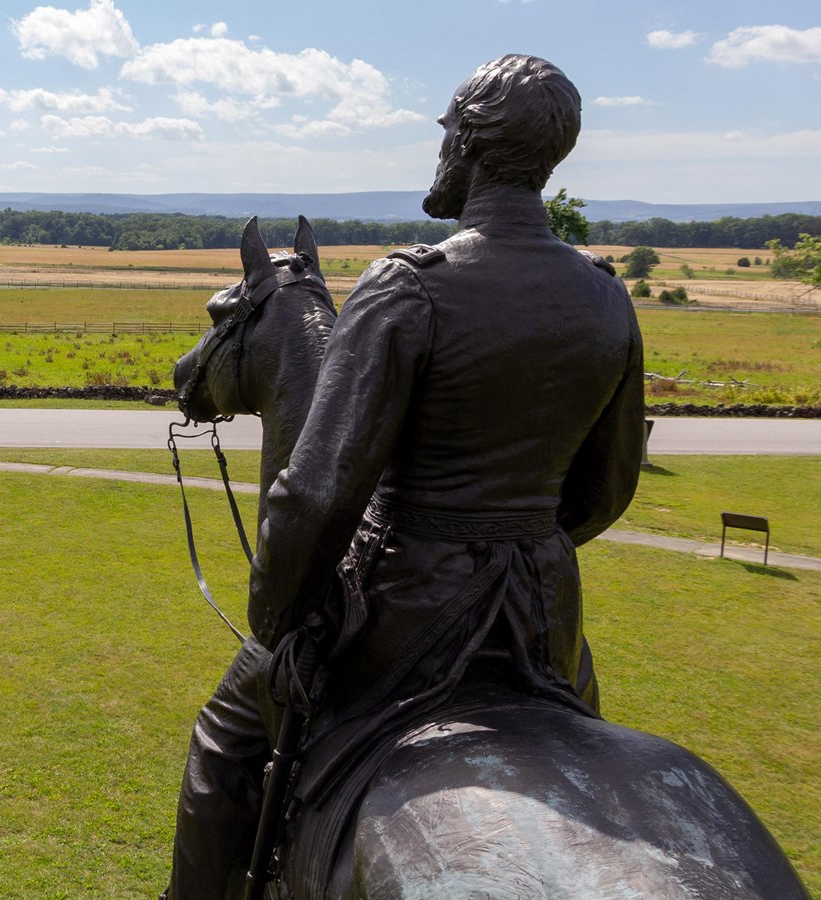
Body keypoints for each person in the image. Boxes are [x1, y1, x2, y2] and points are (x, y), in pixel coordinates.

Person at [166, 54, 643, 898]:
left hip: (404, 608)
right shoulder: (606, 296)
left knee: (225, 738)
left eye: (445, 134)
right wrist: (521, 536)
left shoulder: (408, 287)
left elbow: (317, 492)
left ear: (467, 142)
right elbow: (606, 490)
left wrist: (279, 622)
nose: (441, 151)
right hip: (544, 614)